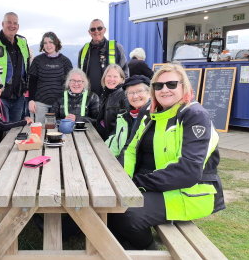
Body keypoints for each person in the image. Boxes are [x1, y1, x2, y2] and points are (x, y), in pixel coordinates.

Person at [108, 63, 225, 250]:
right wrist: (124, 180)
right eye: (158, 85)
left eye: (171, 84)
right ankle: (127, 243)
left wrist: (138, 183)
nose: (164, 89)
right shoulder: (149, 112)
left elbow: (189, 171)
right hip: (156, 184)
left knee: (126, 213)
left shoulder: (194, 115)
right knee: (110, 205)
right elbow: (130, 150)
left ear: (183, 87)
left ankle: (148, 248)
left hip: (189, 191)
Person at [28, 32, 73, 123]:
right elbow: (32, 82)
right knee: (39, 130)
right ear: (42, 45)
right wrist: (31, 100)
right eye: (45, 43)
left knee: (59, 130)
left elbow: (70, 83)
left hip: (60, 104)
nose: (48, 45)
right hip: (40, 103)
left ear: (56, 43)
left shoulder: (65, 61)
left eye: (51, 42)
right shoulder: (37, 60)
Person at [78, 19, 129, 97]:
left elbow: (125, 73)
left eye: (99, 28)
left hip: (112, 98)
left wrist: (121, 95)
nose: (96, 31)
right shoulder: (84, 50)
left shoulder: (116, 48)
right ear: (89, 32)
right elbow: (80, 73)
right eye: (93, 29)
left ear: (104, 30)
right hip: (89, 98)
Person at [105, 75, 151, 160]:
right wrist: (104, 157)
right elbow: (114, 143)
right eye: (131, 93)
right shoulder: (123, 116)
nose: (135, 96)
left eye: (139, 91)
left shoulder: (154, 117)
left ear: (149, 93)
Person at [95, 64, 128, 141]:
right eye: (109, 76)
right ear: (104, 78)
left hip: (113, 142)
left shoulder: (124, 96)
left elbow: (123, 127)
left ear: (122, 79)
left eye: (115, 76)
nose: (111, 79)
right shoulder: (106, 94)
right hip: (102, 138)